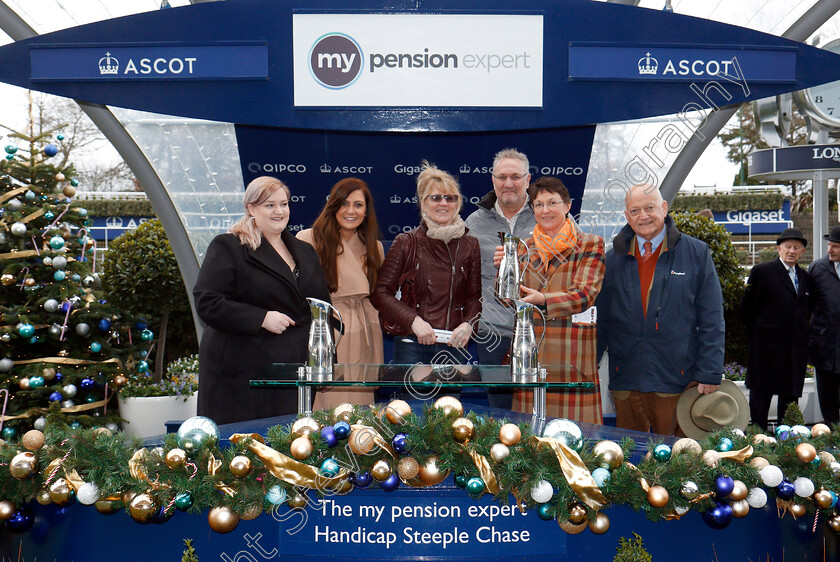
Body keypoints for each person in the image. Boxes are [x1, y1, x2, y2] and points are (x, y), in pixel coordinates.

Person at [193, 176, 332, 425]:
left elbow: (323, 310)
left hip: (294, 373)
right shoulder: (229, 246)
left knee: (290, 446)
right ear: (251, 208)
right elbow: (207, 302)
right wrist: (261, 318)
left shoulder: (306, 252)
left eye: (284, 204)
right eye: (269, 205)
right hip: (243, 376)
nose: (279, 211)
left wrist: (323, 362)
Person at [596, 184, 724, 435]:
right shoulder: (611, 260)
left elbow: (712, 317)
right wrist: (587, 368)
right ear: (627, 216)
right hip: (627, 381)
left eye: (649, 207)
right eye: (635, 210)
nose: (643, 215)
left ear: (664, 209)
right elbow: (602, 321)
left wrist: (710, 372)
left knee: (677, 459)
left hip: (676, 380)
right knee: (628, 461)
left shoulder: (696, 253)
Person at [493, 177, 605, 423]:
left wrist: (542, 299)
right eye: (538, 204)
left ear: (567, 206)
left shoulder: (589, 244)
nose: (545, 210)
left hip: (572, 361)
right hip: (531, 359)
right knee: (528, 445)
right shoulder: (523, 247)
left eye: (552, 202)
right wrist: (504, 271)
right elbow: (505, 300)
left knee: (576, 443)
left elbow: (584, 294)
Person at [371, 162, 482, 366]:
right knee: (415, 399)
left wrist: (468, 324)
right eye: (435, 197)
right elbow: (381, 294)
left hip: (454, 345)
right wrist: (414, 321)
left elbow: (474, 297)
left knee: (449, 400)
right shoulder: (406, 242)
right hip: (413, 344)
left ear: (457, 204)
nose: (443, 203)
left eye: (450, 198)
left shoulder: (470, 244)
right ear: (423, 203)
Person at [297, 178, 385, 410]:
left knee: (358, 418)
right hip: (325, 334)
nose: (351, 211)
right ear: (333, 205)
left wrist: (377, 364)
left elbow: (374, 305)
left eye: (358, 205)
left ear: (366, 211)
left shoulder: (374, 247)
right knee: (323, 418)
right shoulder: (309, 239)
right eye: (344, 203)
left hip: (363, 336)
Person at [464, 148, 537, 409]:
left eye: (516, 177)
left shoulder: (546, 216)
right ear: (492, 180)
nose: (509, 184)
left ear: (528, 180)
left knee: (538, 406)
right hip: (492, 335)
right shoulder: (473, 222)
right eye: (502, 177)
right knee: (500, 412)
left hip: (539, 331)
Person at [741, 228, 813, 429]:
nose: (792, 251)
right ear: (778, 249)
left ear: (802, 251)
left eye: (796, 248)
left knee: (789, 405)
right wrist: (759, 335)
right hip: (766, 351)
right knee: (760, 401)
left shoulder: (806, 278)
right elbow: (747, 309)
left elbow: (808, 311)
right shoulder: (763, 272)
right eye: (787, 247)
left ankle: (786, 446)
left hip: (794, 352)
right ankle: (757, 442)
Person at [808, 224, 840, 425]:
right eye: (829, 245)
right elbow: (806, 305)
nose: (829, 250)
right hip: (824, 346)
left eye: (835, 246)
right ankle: (832, 439)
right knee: (826, 397)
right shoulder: (817, 269)